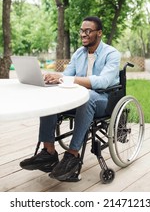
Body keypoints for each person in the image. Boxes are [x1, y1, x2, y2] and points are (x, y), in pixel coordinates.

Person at [20, 16, 121, 181]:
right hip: (78, 97)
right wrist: (54, 77)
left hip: (103, 99)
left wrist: (70, 80)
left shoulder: (112, 54)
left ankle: (72, 155)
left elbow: (103, 82)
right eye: (82, 31)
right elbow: (67, 76)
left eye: (88, 31)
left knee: (88, 97)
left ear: (99, 33)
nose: (83, 34)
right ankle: (49, 153)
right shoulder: (79, 54)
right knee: (50, 94)